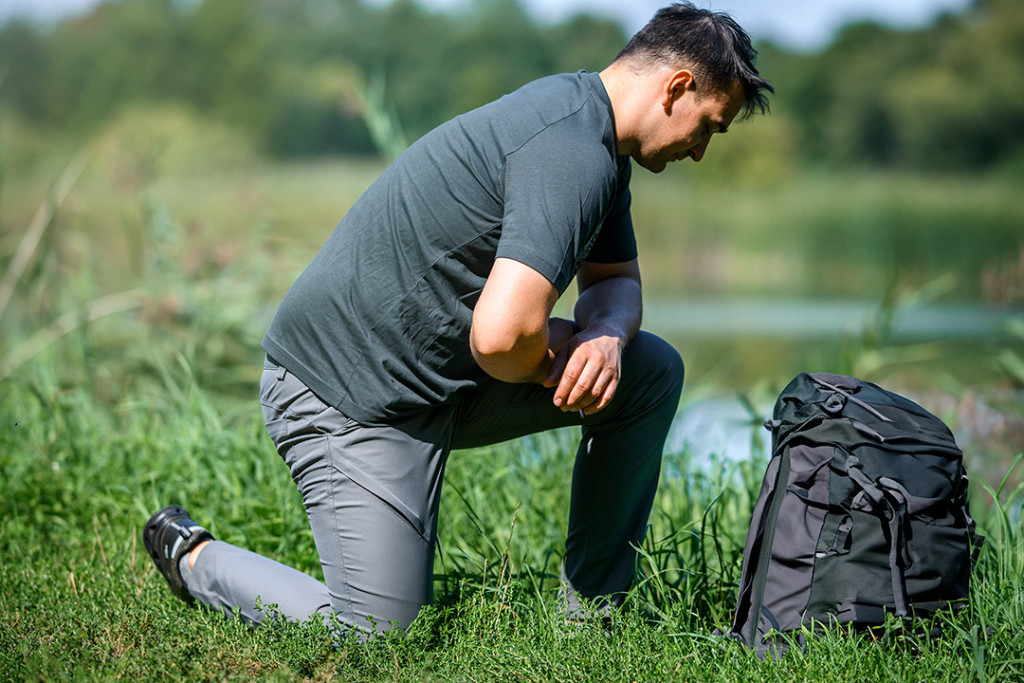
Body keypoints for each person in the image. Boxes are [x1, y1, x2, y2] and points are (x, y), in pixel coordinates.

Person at [143, 1, 772, 637]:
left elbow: (615, 282)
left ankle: (593, 622)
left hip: (439, 380)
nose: (701, 151)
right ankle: (193, 558)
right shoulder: (569, 149)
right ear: (677, 88)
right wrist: (561, 346)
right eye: (709, 127)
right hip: (348, 396)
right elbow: (501, 341)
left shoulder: (602, 147)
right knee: (377, 637)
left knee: (647, 370)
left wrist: (605, 336)